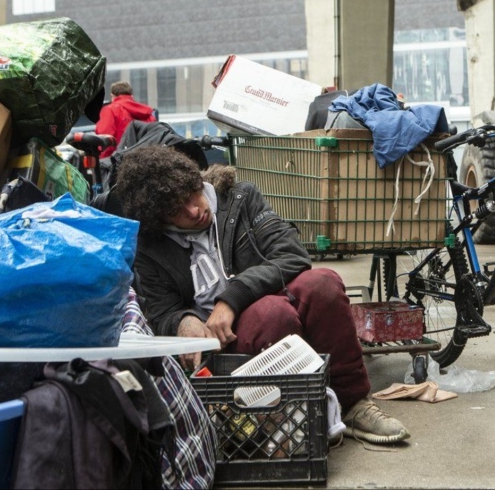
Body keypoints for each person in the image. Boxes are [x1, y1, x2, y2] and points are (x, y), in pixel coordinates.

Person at [113, 145, 411, 444]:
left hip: (268, 298)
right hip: (226, 343)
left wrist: (231, 298)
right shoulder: (150, 248)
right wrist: (184, 322)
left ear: (195, 180)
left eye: (191, 195)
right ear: (159, 220)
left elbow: (292, 255)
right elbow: (161, 313)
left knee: (323, 284)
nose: (193, 211)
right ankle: (294, 419)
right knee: (272, 314)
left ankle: (354, 404)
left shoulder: (241, 199)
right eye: (175, 211)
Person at [95, 81, 157, 158]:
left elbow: (105, 139)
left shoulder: (110, 110)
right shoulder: (147, 114)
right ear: (131, 96)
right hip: (145, 161)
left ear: (112, 96)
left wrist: (103, 162)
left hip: (120, 162)